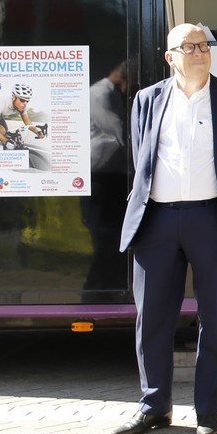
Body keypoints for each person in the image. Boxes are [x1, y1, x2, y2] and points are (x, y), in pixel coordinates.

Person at [114, 24, 217, 434]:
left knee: (215, 318)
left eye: (204, 45)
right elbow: (141, 160)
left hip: (210, 219)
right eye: (189, 46)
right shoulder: (147, 100)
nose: (200, 52)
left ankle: (208, 412)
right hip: (156, 222)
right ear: (170, 57)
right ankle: (154, 407)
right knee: (152, 319)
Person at [81, 61, 131, 299]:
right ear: (125, 79)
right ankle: (94, 294)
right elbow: (118, 130)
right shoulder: (101, 94)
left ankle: (110, 290)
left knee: (113, 239)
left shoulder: (110, 93)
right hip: (100, 179)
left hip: (111, 178)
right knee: (105, 240)